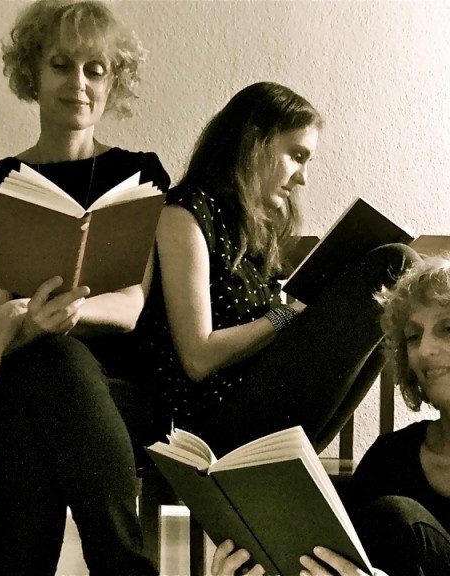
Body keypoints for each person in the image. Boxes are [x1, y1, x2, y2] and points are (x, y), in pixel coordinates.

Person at [0, 2, 168, 574]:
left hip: (122, 398)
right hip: (19, 386)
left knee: (34, 434)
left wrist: (31, 312)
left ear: (113, 80)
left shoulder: (138, 176)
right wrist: (22, 320)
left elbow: (131, 305)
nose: (79, 83)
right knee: (52, 369)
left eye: (96, 69)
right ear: (33, 73)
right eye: (61, 65)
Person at [213, 251, 450, 576]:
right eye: (413, 336)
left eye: (449, 328)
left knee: (397, 516)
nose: (424, 350)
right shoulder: (390, 456)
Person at [131, 81, 420, 458]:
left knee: (396, 285)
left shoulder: (252, 225)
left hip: (254, 402)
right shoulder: (183, 214)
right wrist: (286, 316)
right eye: (297, 155)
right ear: (254, 143)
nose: (302, 178)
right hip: (207, 424)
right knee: (394, 263)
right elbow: (198, 358)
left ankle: (297, 455)